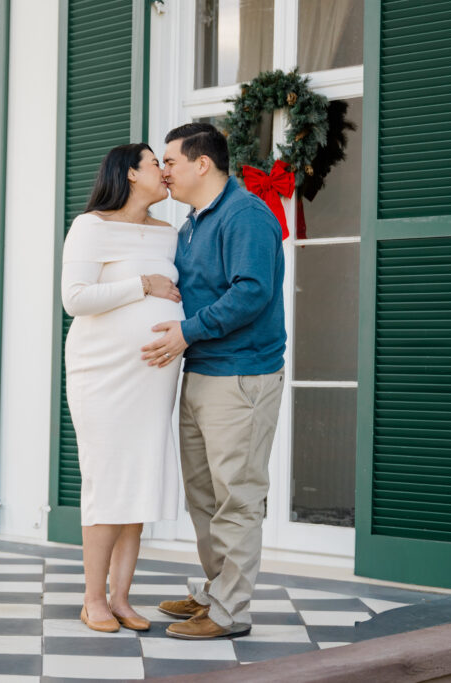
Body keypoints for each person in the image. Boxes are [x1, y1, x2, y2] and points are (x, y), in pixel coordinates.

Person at [143, 122, 286, 640]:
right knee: (204, 496)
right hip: (201, 371)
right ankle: (215, 589)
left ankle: (230, 612)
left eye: (171, 162)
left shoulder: (246, 215)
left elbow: (252, 293)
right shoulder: (191, 223)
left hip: (241, 376)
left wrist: (185, 332)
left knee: (237, 497)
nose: (164, 172)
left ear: (202, 163)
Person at [61, 143, 184, 633]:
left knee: (138, 481)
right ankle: (93, 599)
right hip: (103, 373)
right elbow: (75, 299)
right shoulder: (91, 226)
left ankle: (123, 598)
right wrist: (143, 284)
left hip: (153, 377)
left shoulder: (170, 233)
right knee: (108, 480)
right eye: (158, 163)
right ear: (131, 173)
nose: (165, 171)